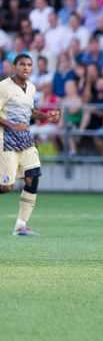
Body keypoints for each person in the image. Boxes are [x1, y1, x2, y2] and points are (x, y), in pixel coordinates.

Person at [0, 54, 60, 236]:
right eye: (22, 64)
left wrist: (46, 116)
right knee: (6, 187)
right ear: (13, 66)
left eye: (29, 65)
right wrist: (12, 125)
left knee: (32, 177)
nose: (26, 68)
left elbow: (29, 111)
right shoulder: (3, 87)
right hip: (7, 140)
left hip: (25, 139)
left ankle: (21, 226)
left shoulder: (32, 88)